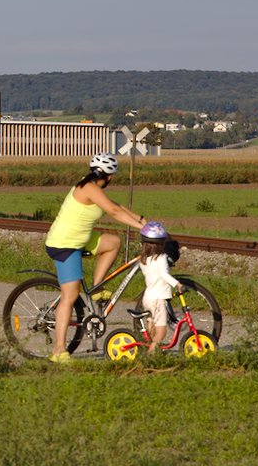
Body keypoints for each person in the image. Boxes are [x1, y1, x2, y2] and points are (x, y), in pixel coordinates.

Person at [44, 153, 147, 363]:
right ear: (109, 177)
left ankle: (96, 288)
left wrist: (144, 221)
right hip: (65, 244)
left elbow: (117, 206)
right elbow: (113, 211)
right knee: (70, 295)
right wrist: (142, 228)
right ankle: (59, 350)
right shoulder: (89, 188)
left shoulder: (91, 187)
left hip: (79, 240)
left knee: (113, 243)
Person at [137, 221, 182, 354]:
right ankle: (151, 354)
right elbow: (164, 275)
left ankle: (151, 346)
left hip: (147, 298)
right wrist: (177, 284)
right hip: (158, 299)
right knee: (161, 331)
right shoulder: (161, 258)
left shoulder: (144, 260)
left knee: (151, 324)